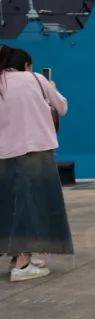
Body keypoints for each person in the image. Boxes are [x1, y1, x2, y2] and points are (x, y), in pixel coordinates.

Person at [0, 45, 72, 282]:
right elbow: (62, 108)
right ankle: (22, 265)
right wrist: (50, 89)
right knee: (31, 206)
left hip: (4, 152)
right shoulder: (36, 79)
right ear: (26, 65)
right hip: (35, 150)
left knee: (10, 205)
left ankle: (17, 255)